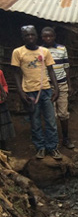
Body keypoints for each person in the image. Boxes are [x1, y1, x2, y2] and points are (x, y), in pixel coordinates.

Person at [11, 25, 61, 160]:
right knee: (35, 122)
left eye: (32, 34)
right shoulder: (18, 52)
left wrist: (56, 88)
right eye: (27, 35)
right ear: (23, 37)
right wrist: (21, 93)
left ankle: (53, 147)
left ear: (37, 35)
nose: (30, 37)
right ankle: (40, 148)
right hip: (29, 92)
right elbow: (16, 74)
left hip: (45, 90)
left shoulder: (44, 51)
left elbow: (51, 70)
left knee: (51, 120)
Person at [41, 27, 74, 149]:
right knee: (51, 115)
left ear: (54, 36)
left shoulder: (61, 49)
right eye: (45, 36)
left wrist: (69, 85)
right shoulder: (40, 51)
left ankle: (65, 138)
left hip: (62, 84)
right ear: (42, 37)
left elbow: (66, 67)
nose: (48, 38)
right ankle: (53, 141)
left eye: (50, 36)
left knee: (63, 113)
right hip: (47, 85)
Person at [0, 68, 16, 150]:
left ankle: (3, 147)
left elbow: (4, 85)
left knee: (3, 126)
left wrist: (5, 92)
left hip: (1, 103)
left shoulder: (0, 72)